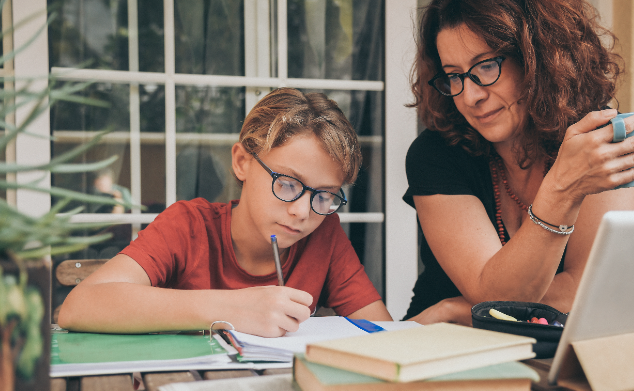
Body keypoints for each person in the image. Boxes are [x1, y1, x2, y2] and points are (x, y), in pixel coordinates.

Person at [403, 0, 634, 325]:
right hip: (441, 345)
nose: (471, 95)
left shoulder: (596, 141)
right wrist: (563, 188)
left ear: (540, 59)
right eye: (454, 75)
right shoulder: (436, 153)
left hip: (542, 347)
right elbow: (491, 294)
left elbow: (588, 289)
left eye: (486, 66)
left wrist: (457, 309)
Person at [58, 88, 392, 336]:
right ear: (242, 162)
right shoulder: (189, 226)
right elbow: (79, 306)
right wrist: (232, 308)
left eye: (325, 195)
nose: (303, 212)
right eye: (288, 184)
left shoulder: (324, 234)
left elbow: (380, 335)